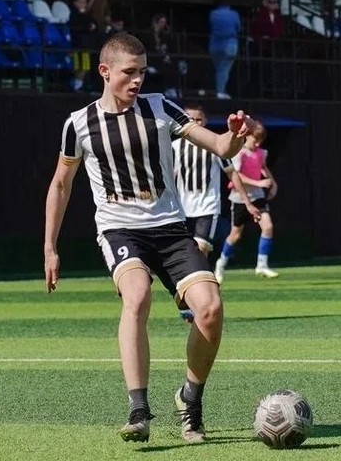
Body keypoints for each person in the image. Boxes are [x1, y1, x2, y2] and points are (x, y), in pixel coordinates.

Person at [44, 32, 255, 444]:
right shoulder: (79, 123)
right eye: (129, 72)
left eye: (142, 71)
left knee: (210, 309)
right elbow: (60, 185)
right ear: (105, 72)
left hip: (170, 229)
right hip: (120, 229)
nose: (138, 79)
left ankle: (189, 399)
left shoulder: (160, 107)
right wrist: (50, 247)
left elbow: (220, 147)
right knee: (137, 295)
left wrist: (234, 135)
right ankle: (138, 410)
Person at [172, 104, 261, 323]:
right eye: (191, 118)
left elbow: (233, 174)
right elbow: (169, 176)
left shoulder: (213, 145)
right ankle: (190, 301)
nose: (195, 122)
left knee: (200, 251)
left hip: (207, 208)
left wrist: (247, 202)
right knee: (183, 257)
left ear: (205, 121)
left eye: (199, 119)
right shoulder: (174, 147)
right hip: (182, 209)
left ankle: (198, 304)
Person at [215, 121, 278, 284]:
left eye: (260, 141)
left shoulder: (261, 153)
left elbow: (263, 167)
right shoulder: (240, 153)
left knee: (268, 227)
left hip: (257, 197)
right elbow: (237, 177)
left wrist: (273, 183)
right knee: (235, 235)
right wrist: (259, 183)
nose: (257, 144)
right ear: (247, 136)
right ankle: (220, 264)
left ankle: (262, 265)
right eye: (255, 140)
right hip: (240, 198)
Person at [209, 2, 241, 100]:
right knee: (224, 69)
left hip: (214, 44)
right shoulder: (234, 14)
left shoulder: (213, 14)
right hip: (229, 44)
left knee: (218, 69)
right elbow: (238, 27)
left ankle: (219, 90)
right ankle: (220, 92)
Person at [68, 0, 98, 92]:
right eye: (80, 2)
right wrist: (87, 27)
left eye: (84, 2)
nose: (82, 4)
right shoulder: (74, 14)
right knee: (78, 67)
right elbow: (75, 27)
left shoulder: (88, 14)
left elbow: (94, 23)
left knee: (85, 66)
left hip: (86, 45)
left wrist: (92, 26)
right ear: (75, 3)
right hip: (77, 45)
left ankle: (79, 84)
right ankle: (76, 86)